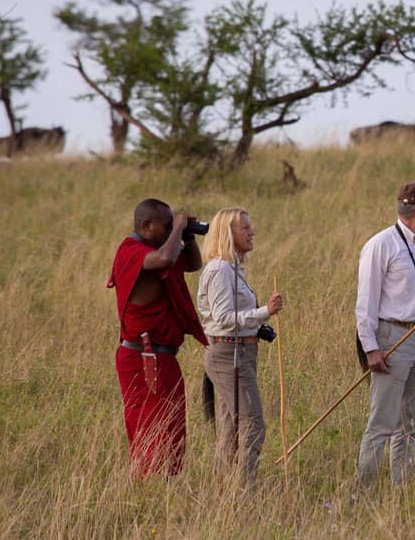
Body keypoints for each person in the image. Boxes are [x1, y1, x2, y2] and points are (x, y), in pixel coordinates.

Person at [355, 182, 415, 487]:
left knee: (412, 422)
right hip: (392, 338)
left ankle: (403, 493)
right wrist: (371, 348)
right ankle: (363, 493)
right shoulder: (381, 244)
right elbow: (365, 301)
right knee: (382, 422)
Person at [108, 198, 208, 479]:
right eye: (164, 226)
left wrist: (186, 237)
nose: (167, 232)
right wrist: (177, 227)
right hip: (143, 357)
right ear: (145, 225)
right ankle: (148, 491)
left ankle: (163, 489)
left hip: (163, 357)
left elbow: (193, 264)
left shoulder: (158, 248)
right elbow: (165, 259)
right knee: (150, 431)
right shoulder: (131, 252)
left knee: (172, 428)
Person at [197, 208, 285, 486]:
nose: (251, 232)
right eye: (245, 228)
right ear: (228, 233)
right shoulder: (220, 269)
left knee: (232, 427)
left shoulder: (232, 267)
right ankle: (244, 490)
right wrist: (264, 312)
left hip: (238, 352)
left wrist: (258, 327)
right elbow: (222, 319)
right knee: (253, 424)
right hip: (229, 354)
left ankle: (224, 491)